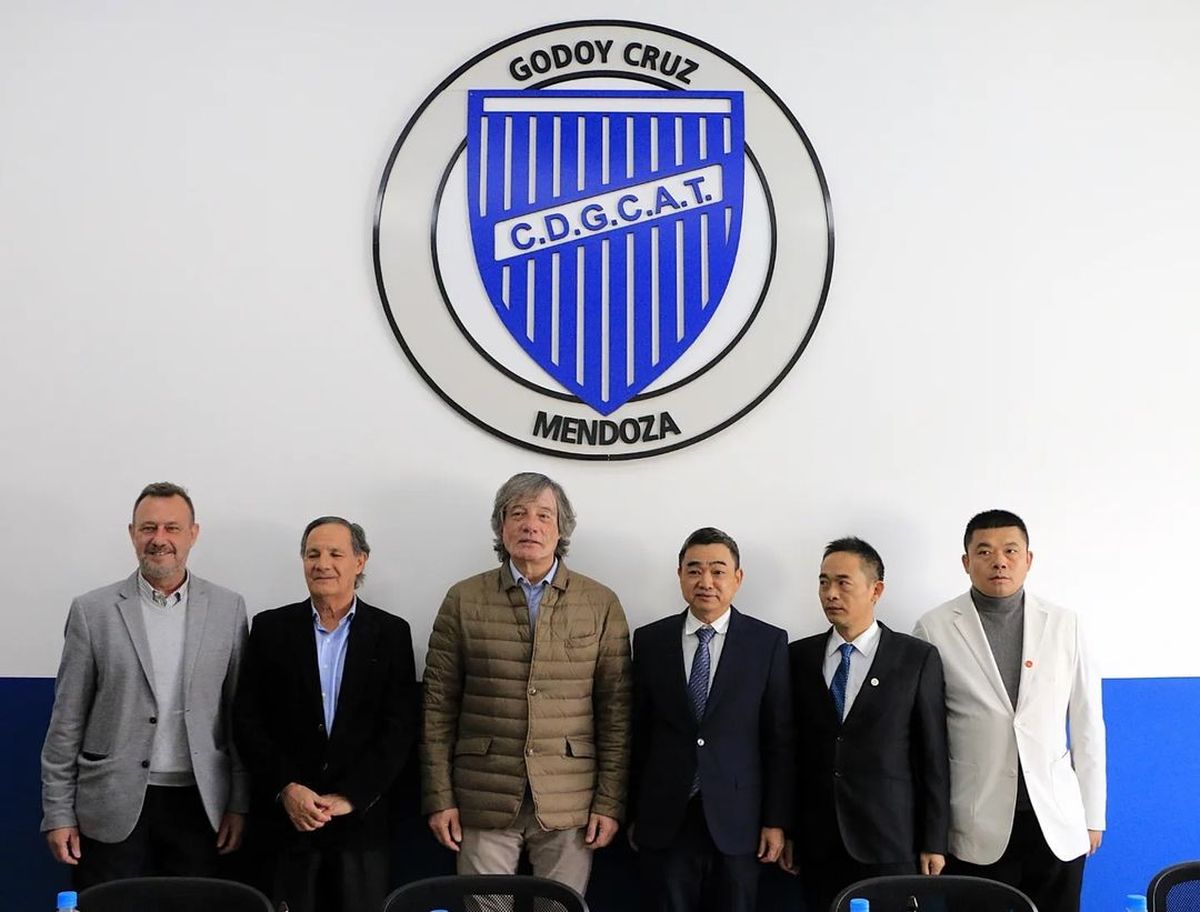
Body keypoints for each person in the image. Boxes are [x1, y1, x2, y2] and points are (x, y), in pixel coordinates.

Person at [421, 472, 631, 895]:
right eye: (517, 514)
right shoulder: (463, 599)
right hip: (484, 793)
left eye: (543, 515)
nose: (530, 524)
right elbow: (437, 707)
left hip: (569, 798)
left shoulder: (599, 602)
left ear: (561, 529)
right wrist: (439, 797)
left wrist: (610, 802)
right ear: (502, 527)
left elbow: (616, 711)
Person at [41, 482, 249, 889]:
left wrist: (240, 803)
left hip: (201, 806)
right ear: (133, 533)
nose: (160, 540)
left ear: (193, 534)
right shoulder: (92, 612)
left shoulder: (229, 609)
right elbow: (66, 720)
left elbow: (237, 717)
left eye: (172, 528)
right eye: (148, 528)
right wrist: (58, 812)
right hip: (111, 807)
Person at [913, 509, 1106, 912]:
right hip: (975, 820)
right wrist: (931, 832)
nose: (998, 561)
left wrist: (1093, 815)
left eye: (1010, 550)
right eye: (984, 551)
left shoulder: (1065, 624)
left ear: (1028, 559)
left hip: (1055, 819)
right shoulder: (934, 628)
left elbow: (1088, 724)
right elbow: (925, 739)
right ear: (966, 562)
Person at [234, 516, 417, 912]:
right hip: (286, 823)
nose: (323, 563)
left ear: (360, 561)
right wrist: (287, 788)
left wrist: (352, 796)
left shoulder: (391, 633)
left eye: (336, 553)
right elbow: (247, 720)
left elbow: (399, 729)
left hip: (360, 828)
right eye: (313, 554)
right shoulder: (270, 628)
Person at [629, 527, 795, 912]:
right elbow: (638, 731)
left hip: (740, 820)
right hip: (666, 815)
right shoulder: (650, 640)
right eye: (694, 570)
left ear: (738, 578)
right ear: (680, 575)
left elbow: (779, 740)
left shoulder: (767, 643)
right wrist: (633, 811)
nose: (706, 582)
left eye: (718, 571)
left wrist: (776, 820)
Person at [782, 537, 949, 912]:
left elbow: (932, 756)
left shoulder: (915, 658)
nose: (830, 593)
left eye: (843, 582)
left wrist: (934, 839)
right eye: (823, 582)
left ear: (876, 590)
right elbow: (790, 751)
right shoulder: (798, 656)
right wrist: (789, 828)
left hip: (889, 838)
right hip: (819, 839)